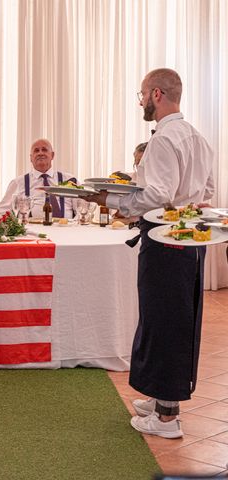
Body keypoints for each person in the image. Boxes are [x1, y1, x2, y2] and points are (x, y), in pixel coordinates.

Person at [86, 68, 214, 439]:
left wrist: (109, 199)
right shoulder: (198, 138)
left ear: (156, 94)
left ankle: (166, 419)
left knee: (164, 324)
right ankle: (162, 400)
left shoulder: (164, 140)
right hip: (189, 243)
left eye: (142, 94)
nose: (140, 101)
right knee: (174, 321)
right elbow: (205, 190)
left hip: (165, 241)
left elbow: (157, 194)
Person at [0, 138, 77, 219]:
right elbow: (1, 213)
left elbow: (83, 210)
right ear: (31, 158)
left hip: (65, 230)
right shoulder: (18, 182)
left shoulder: (70, 180)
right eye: (36, 150)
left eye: (44, 149)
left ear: (52, 155)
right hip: (30, 232)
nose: (40, 153)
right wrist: (17, 225)